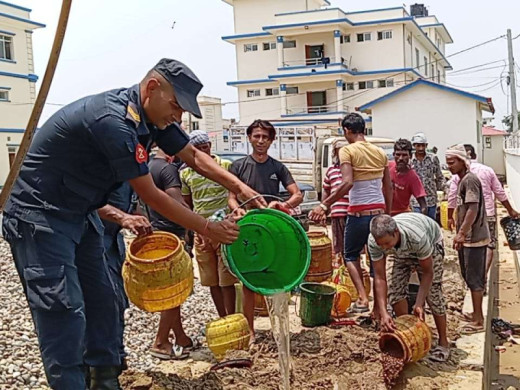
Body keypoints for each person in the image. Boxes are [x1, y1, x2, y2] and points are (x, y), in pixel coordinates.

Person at [2, 58, 265, 389]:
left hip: (82, 213)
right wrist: (208, 228)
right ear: (152, 88)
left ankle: (105, 379)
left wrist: (241, 188)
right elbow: (152, 195)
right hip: (41, 215)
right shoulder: (113, 121)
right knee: (62, 309)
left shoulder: (153, 118)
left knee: (104, 299)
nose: (178, 116)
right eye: (176, 105)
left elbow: (195, 157)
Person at [309, 113, 392, 314]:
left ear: (347, 130)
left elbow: (347, 183)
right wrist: (386, 213)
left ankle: (363, 299)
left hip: (358, 214)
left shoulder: (348, 151)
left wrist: (325, 205)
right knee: (377, 264)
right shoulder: (380, 152)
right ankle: (380, 309)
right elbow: (388, 187)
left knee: (350, 255)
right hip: (379, 213)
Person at [228, 119, 303, 339]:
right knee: (248, 280)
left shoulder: (277, 167)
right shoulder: (239, 166)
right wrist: (238, 210)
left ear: (271, 141)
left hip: (272, 227)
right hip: (248, 228)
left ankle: (280, 329)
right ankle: (250, 330)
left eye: (265, 137)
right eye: (257, 136)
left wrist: (282, 205)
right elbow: (231, 198)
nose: (260, 141)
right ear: (249, 138)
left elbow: (297, 194)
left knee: (275, 277)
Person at [369, 213, 450, 362]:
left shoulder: (417, 237)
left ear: (396, 233)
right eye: (381, 245)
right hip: (399, 252)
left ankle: (443, 342)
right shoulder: (375, 242)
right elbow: (380, 278)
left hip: (430, 244)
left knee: (433, 294)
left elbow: (428, 273)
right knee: (395, 291)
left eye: (386, 243)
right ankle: (406, 334)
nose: (384, 248)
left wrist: (419, 303)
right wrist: (383, 312)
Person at [181, 130, 237, 318]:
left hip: (223, 230)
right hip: (202, 233)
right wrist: (191, 230)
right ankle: (222, 318)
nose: (204, 151)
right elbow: (187, 204)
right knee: (211, 280)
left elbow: (233, 195)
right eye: (199, 149)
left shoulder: (225, 166)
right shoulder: (186, 173)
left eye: (206, 147)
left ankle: (232, 317)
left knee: (226, 280)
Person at [146, 148, 195, 360]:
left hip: (156, 232)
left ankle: (180, 337)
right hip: (173, 236)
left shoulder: (148, 168)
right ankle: (160, 341)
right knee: (176, 291)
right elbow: (178, 203)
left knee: (170, 289)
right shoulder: (168, 170)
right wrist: (199, 223)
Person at [446, 144, 489, 335]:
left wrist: (462, 232)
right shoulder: (463, 180)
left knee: (474, 279)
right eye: (447, 163)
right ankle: (476, 314)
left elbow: (472, 208)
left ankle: (478, 320)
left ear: (462, 161)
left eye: (452, 162)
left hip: (474, 238)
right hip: (470, 237)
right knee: (470, 277)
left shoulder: (469, 180)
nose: (449, 166)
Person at [321, 139, 350, 266]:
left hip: (352, 213)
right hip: (337, 213)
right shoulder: (331, 170)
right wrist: (323, 209)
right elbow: (326, 190)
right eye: (339, 152)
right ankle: (343, 271)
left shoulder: (353, 170)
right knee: (339, 246)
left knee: (353, 247)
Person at [411, 132, 445, 219]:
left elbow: (439, 177)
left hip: (431, 199)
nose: (421, 148)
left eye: (423, 145)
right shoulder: (410, 161)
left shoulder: (433, 158)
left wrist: (444, 191)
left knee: (431, 225)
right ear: (414, 145)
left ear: (426, 145)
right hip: (415, 200)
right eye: (418, 145)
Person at [390, 138, 427, 216]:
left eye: (404, 155)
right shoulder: (387, 167)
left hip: (402, 216)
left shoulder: (413, 177)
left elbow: (423, 204)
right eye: (398, 154)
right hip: (384, 213)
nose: (400, 158)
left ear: (410, 156)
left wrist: (422, 219)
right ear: (393, 154)